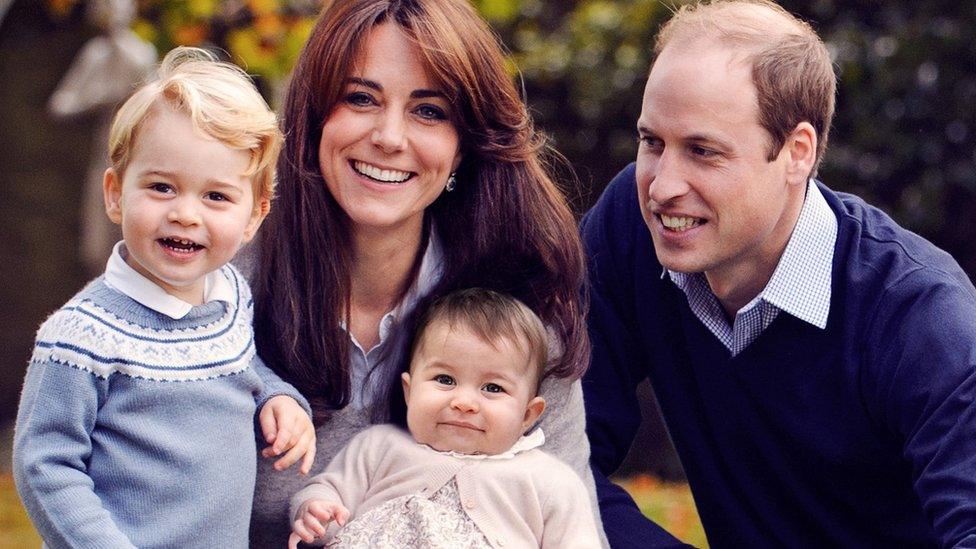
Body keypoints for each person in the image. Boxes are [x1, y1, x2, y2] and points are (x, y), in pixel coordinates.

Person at [582, 0, 976, 547]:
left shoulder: (920, 315)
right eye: (653, 142)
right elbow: (547, 450)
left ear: (797, 152)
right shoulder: (632, 227)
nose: (661, 184)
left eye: (703, 151)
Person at [248, 0, 607, 546]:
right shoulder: (224, 295)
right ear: (315, 117)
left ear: (464, 147)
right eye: (360, 98)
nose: (390, 137)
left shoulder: (522, 319)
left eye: (429, 111)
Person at [13, 47, 316, 549]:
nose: (185, 214)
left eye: (216, 196)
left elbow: (241, 366)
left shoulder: (230, 296)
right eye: (161, 187)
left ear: (254, 217)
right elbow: (45, 463)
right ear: (114, 193)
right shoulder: (82, 336)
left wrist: (277, 396)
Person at [288, 289, 602, 548]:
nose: (464, 402)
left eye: (492, 388)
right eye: (445, 379)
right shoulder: (379, 447)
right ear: (409, 391)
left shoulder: (549, 481)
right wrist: (315, 510)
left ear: (527, 414)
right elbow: (330, 491)